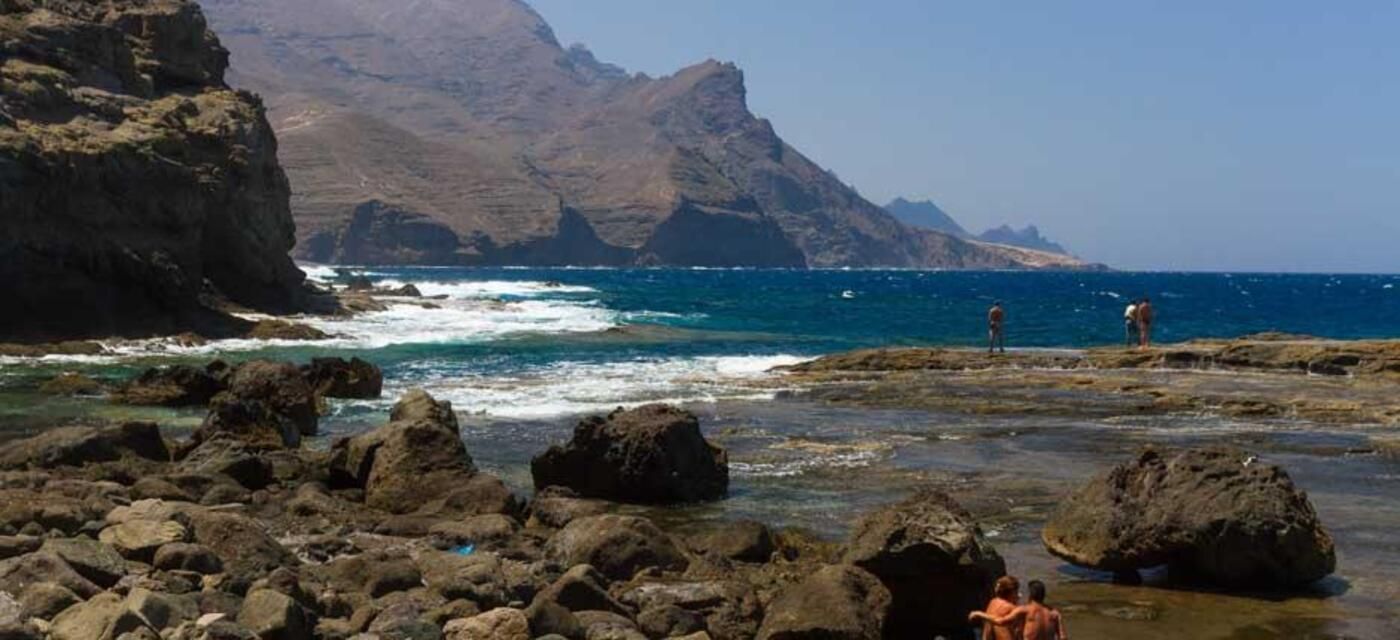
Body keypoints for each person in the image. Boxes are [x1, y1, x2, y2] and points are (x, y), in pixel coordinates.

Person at [970, 579, 1068, 640]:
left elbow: (1000, 621)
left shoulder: (1024, 610)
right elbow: (1063, 637)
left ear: (1030, 595)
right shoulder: (1055, 613)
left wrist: (978, 613)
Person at [975, 576, 1023, 640]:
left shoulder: (993, 603)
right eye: (1016, 591)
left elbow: (987, 631)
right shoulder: (1011, 608)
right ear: (1012, 592)